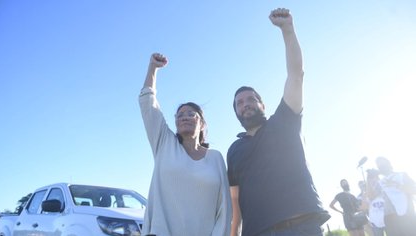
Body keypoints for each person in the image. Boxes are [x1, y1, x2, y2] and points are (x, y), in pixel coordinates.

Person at [227, 8, 330, 236]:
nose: (246, 104)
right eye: (240, 102)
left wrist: (287, 30)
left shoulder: (285, 120)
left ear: (262, 105)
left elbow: (296, 74)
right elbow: (235, 200)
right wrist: (233, 232)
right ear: (236, 112)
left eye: (251, 99)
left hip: (303, 227)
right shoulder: (233, 150)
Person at [139, 53, 232, 236]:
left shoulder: (215, 158)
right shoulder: (164, 144)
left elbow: (225, 208)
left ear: (202, 123)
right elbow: (148, 104)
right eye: (180, 115)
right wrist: (152, 68)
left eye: (191, 114)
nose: (185, 117)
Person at [375, 156, 416, 236]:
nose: (381, 166)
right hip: (389, 221)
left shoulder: (401, 175)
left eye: (382, 163)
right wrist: (369, 178)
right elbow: (372, 197)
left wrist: (397, 185)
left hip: (407, 217)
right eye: (378, 165)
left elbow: (414, 189)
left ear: (389, 163)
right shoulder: (380, 182)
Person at [365, 169, 385, 236]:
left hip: (387, 217)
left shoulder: (382, 185)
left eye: (374, 177)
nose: (373, 179)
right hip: (375, 221)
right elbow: (370, 197)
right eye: (370, 178)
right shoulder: (367, 189)